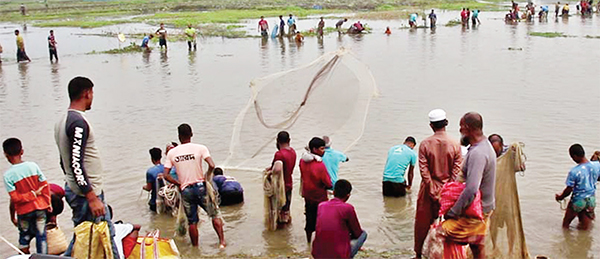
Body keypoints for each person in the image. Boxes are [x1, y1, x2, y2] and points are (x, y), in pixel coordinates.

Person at [55, 77, 120, 258]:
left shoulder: (63, 121)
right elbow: (76, 163)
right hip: (86, 193)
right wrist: (91, 196)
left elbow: (64, 161)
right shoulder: (78, 123)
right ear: (86, 93)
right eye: (92, 93)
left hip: (78, 189)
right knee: (106, 235)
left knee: (82, 236)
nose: (92, 97)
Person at [442, 112, 496, 259]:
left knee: (441, 234)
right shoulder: (484, 145)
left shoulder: (478, 153)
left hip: (478, 210)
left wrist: (454, 211)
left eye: (461, 127)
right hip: (486, 206)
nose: (460, 131)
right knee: (477, 245)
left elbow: (471, 189)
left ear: (467, 128)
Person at [162, 124, 226, 248]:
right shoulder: (200, 148)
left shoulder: (172, 153)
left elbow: (166, 175)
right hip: (201, 186)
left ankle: (195, 247)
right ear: (191, 134)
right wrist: (206, 177)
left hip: (185, 190)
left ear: (179, 136)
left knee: (192, 222)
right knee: (214, 214)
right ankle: (222, 242)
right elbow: (212, 165)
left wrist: (178, 183)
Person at [414, 109, 462, 259]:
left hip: (428, 190)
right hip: (448, 191)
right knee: (448, 224)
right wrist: (446, 189)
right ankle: (445, 254)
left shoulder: (425, 144)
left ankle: (418, 254)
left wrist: (432, 189)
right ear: (446, 124)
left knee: (422, 223)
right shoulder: (455, 144)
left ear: (431, 126)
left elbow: (424, 170)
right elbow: (456, 170)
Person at [3, 138, 51, 254]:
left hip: (24, 212)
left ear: (5, 154)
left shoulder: (8, 176)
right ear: (22, 151)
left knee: (24, 238)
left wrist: (12, 216)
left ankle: (23, 256)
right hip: (40, 208)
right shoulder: (33, 166)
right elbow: (45, 187)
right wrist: (47, 203)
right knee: (42, 238)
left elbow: (15, 199)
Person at [312, 179, 367, 258]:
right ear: (348, 196)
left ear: (333, 192)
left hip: (317, 254)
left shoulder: (321, 206)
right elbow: (357, 233)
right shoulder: (348, 208)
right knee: (363, 234)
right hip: (339, 255)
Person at [555, 144, 600, 230]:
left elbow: (569, 189)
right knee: (585, 227)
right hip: (591, 200)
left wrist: (560, 197)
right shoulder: (597, 165)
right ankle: (584, 242)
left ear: (574, 156)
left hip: (578, 201)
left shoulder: (574, 171)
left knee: (566, 225)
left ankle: (566, 241)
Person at [300, 137, 333, 243]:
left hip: (308, 196)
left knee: (309, 220)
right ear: (314, 149)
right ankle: (320, 243)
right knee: (322, 221)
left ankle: (308, 242)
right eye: (322, 149)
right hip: (320, 198)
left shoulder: (302, 161)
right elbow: (328, 182)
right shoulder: (319, 165)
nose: (323, 151)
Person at [268, 131, 296, 224]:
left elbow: (278, 169)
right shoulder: (292, 151)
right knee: (286, 210)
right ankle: (287, 233)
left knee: (278, 211)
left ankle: (281, 233)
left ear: (277, 141)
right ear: (289, 140)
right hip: (289, 184)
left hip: (280, 186)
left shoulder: (279, 154)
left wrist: (269, 173)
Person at [142, 147, 164, 212]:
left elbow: (149, 188)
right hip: (168, 201)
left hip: (155, 201)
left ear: (152, 158)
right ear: (161, 156)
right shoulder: (167, 168)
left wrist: (144, 187)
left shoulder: (150, 171)